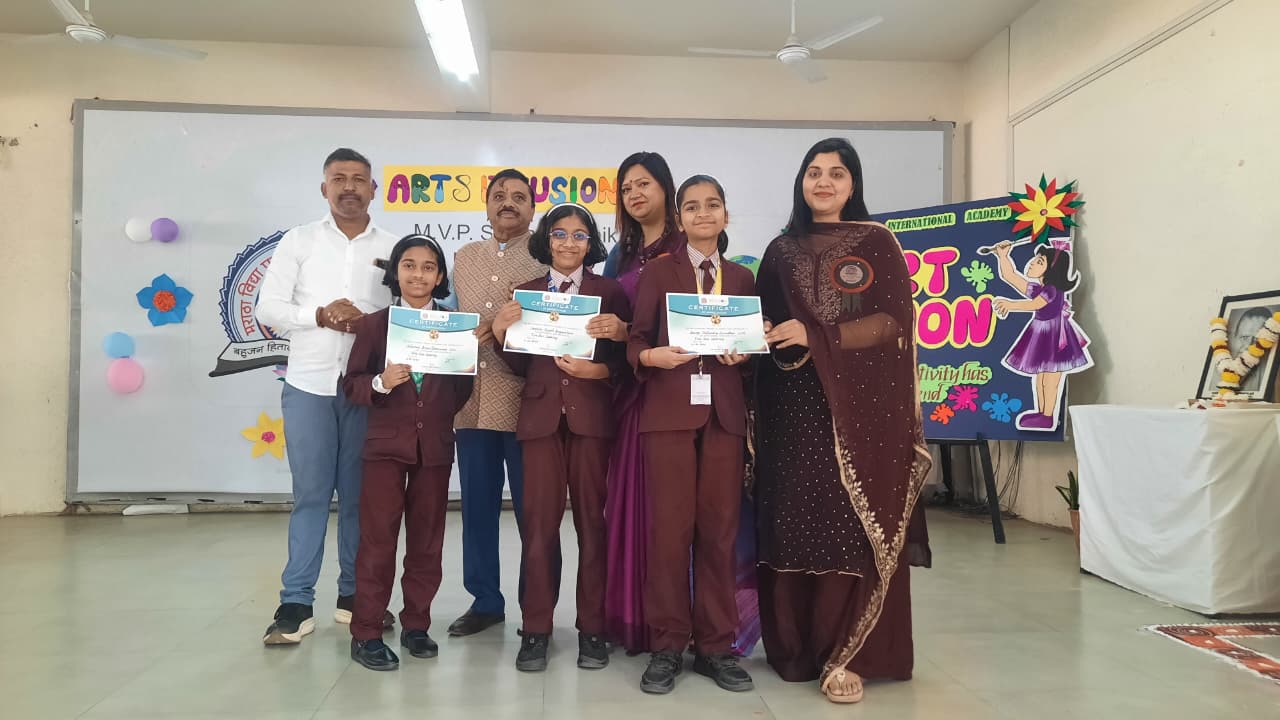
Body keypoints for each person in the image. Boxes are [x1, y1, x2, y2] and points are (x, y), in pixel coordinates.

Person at [754, 138, 931, 704]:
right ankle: (796, 646)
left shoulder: (877, 243)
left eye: (836, 173)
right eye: (814, 172)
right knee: (793, 516)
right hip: (790, 408)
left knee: (844, 521)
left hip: (857, 414)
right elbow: (763, 325)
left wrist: (818, 335)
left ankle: (845, 654)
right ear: (801, 182)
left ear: (853, 184)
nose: (824, 182)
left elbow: (892, 324)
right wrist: (759, 337)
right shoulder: (780, 251)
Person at [256, 148, 399, 645]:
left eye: (359, 179)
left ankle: (354, 595)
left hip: (367, 389)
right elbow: (269, 308)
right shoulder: (298, 241)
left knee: (361, 499)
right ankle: (295, 602)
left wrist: (368, 323)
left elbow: (406, 309)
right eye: (339, 178)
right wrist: (319, 315)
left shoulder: (393, 247)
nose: (349, 187)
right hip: (309, 386)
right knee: (312, 497)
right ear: (324, 188)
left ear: (374, 190)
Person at [627, 173, 755, 695]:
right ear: (679, 218)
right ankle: (666, 645)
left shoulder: (742, 279)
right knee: (668, 534)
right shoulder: (660, 272)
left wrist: (747, 355)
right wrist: (651, 356)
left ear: (726, 214)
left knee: (720, 534)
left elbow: (751, 350)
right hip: (668, 416)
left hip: (723, 417)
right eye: (693, 206)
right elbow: (635, 341)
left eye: (713, 204)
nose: (704, 213)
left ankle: (716, 647)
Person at [490, 203, 632, 672]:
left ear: (591, 244)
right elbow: (521, 363)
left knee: (593, 527)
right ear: (546, 240)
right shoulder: (526, 293)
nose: (569, 243)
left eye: (579, 235)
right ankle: (536, 629)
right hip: (540, 422)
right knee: (538, 529)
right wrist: (500, 333)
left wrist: (601, 370)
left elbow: (625, 361)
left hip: (592, 423)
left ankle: (593, 628)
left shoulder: (609, 292)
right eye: (560, 234)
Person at [342, 235, 473, 671]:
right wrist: (381, 383)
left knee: (426, 541)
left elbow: (461, 388)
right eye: (409, 265)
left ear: (440, 276)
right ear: (395, 272)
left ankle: (417, 624)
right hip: (384, 449)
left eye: (428, 267)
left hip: (434, 447)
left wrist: (430, 415)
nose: (418, 274)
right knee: (378, 541)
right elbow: (352, 383)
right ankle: (365, 632)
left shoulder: (455, 326)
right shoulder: (374, 325)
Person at [448, 168, 548, 637]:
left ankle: (536, 608)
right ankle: (485, 601)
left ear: (533, 208)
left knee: (533, 514)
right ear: (486, 205)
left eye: (519, 196)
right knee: (477, 510)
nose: (508, 203)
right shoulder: (464, 257)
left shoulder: (546, 258)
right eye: (500, 195)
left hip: (526, 405)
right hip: (470, 404)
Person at [600, 151, 685, 653]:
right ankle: (633, 618)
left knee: (674, 512)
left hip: (679, 394)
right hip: (630, 393)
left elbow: (698, 321)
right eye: (627, 187)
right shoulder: (621, 256)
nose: (634, 194)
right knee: (630, 506)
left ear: (666, 189)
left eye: (644, 184)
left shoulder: (687, 246)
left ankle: (682, 622)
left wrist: (629, 329)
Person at [992, 240, 1092, 429]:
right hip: (1042, 333)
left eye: (1039, 262)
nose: (1031, 263)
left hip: (1056, 338)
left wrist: (1010, 304)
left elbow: (1034, 304)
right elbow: (1011, 276)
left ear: (1051, 269)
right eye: (1035, 259)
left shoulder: (1052, 290)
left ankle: (1048, 416)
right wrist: (1003, 257)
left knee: (1050, 380)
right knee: (1040, 378)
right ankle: (1042, 413)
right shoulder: (1040, 289)